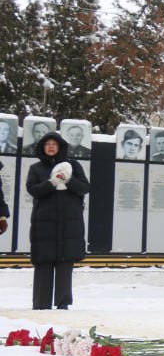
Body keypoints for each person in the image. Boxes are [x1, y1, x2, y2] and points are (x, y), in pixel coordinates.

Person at [26, 131, 90, 309]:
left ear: (60, 147)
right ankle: (41, 304)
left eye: (54, 144)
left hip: (69, 224)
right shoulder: (36, 168)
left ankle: (63, 304)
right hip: (44, 224)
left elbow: (84, 187)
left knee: (64, 262)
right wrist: (51, 183)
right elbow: (33, 189)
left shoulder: (74, 165)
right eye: (47, 144)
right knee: (43, 262)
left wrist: (68, 180)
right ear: (43, 148)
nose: (51, 147)